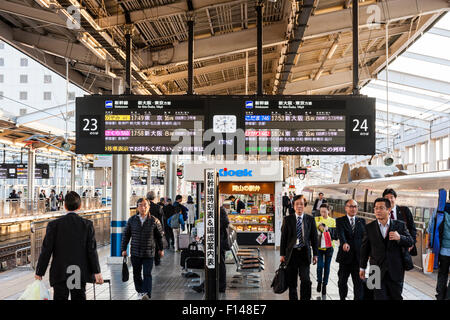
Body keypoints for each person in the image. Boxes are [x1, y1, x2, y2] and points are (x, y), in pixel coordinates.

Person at [34, 191, 103, 300]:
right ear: (80, 206)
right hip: (78, 273)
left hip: (60, 272)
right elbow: (91, 251)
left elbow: (46, 250)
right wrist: (97, 272)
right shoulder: (87, 225)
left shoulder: (54, 225)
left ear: (64, 206)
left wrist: (39, 272)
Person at [359, 198, 414, 300]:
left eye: (381, 208)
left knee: (396, 297)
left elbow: (410, 241)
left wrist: (400, 238)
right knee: (377, 297)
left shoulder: (400, 225)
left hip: (395, 269)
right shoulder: (369, 227)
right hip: (375, 269)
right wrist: (362, 267)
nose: (378, 211)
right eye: (376, 208)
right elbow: (364, 249)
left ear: (389, 210)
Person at [121, 198, 164, 300]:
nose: (143, 207)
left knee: (147, 274)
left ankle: (146, 294)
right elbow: (126, 235)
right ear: (137, 207)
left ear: (149, 207)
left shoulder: (154, 220)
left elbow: (159, 237)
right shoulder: (131, 220)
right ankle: (140, 291)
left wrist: (161, 249)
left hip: (149, 253)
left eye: (145, 205)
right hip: (135, 253)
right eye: (140, 205)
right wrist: (123, 249)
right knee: (136, 275)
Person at [280, 195, 318, 300]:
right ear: (293, 206)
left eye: (301, 204)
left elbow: (314, 238)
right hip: (291, 254)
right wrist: (282, 254)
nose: (299, 206)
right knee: (292, 282)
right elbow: (283, 238)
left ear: (304, 205)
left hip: (304, 254)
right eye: (297, 204)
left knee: (305, 279)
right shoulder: (287, 219)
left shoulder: (310, 219)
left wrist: (315, 254)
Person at [193, 200, 231, 293]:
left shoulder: (220, 210)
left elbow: (225, 222)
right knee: (215, 264)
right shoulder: (218, 210)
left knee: (219, 265)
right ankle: (208, 285)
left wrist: (214, 225)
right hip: (217, 241)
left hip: (219, 242)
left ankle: (218, 286)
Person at [336, 199, 366, 300]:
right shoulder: (340, 221)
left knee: (358, 283)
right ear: (346, 208)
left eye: (355, 206)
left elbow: (364, 238)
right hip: (345, 257)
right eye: (350, 206)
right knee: (342, 282)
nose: (353, 208)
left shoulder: (361, 221)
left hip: (358, 259)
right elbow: (341, 234)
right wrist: (344, 242)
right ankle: (342, 298)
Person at [382, 188, 417, 256]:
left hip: (403, 248)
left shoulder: (405, 211)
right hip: (387, 250)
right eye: (386, 198)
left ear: (395, 198)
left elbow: (412, 228)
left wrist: (412, 243)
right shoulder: (381, 213)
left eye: (391, 197)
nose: (389, 200)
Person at [427, 204, 450, 300]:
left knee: (442, 274)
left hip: (443, 250)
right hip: (444, 250)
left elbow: (431, 227)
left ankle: (440, 296)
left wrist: (430, 243)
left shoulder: (440, 209)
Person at [314, 203, 336, 296]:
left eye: (324, 211)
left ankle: (325, 284)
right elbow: (314, 231)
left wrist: (328, 229)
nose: (322, 213)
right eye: (321, 211)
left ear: (328, 211)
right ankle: (319, 281)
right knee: (320, 266)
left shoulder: (333, 221)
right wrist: (319, 227)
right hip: (319, 247)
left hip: (330, 247)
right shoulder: (316, 219)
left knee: (327, 266)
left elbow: (335, 234)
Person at [146, 191, 164, 266]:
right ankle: (157, 260)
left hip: (146, 229)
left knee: (147, 243)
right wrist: (162, 230)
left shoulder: (145, 207)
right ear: (154, 197)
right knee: (156, 243)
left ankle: (148, 258)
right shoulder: (158, 207)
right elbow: (161, 219)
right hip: (156, 228)